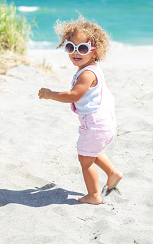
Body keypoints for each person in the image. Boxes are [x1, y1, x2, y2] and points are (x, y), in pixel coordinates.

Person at [38, 17, 123, 205]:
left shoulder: (86, 74)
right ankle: (113, 173)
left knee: (85, 161)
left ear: (95, 52)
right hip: (104, 123)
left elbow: (73, 95)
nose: (76, 53)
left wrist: (51, 94)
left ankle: (93, 196)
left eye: (82, 48)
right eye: (70, 47)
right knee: (92, 151)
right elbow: (105, 94)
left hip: (95, 125)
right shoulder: (95, 69)